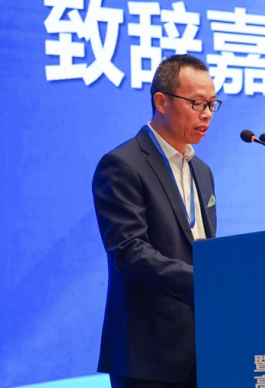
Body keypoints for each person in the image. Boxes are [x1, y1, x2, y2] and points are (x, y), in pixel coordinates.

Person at [92, 54, 220, 388]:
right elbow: (129, 252)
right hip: (147, 353)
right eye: (197, 103)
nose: (207, 113)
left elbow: (201, 246)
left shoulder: (202, 170)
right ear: (161, 101)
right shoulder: (122, 164)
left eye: (212, 104)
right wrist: (208, 279)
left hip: (204, 348)